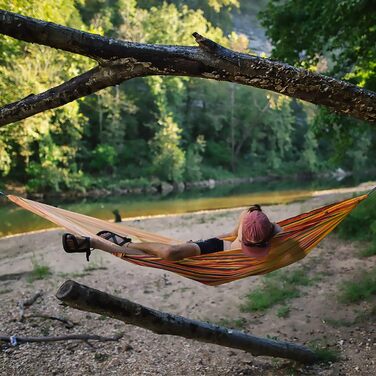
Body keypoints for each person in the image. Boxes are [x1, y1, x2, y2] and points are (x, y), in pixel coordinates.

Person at [62, 204, 282, 261]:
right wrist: (201, 243)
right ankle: (124, 245)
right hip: (216, 249)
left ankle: (95, 243)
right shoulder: (247, 217)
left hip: (223, 260)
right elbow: (231, 236)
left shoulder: (274, 231)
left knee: (163, 254)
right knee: (167, 254)